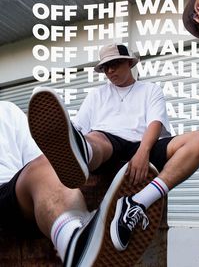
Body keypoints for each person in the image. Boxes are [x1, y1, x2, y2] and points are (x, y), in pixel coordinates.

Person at [28, 43, 199, 253]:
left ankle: (137, 202)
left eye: (114, 64)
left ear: (128, 63)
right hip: (107, 145)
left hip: (145, 146)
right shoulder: (97, 95)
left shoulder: (150, 90)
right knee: (94, 138)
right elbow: (78, 127)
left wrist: (143, 152)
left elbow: (155, 123)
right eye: (105, 67)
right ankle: (82, 154)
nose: (110, 71)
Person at [0, 100, 139, 266]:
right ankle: (82, 245)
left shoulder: (7, 110)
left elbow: (38, 164)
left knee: (47, 166)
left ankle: (76, 241)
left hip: (12, 193)